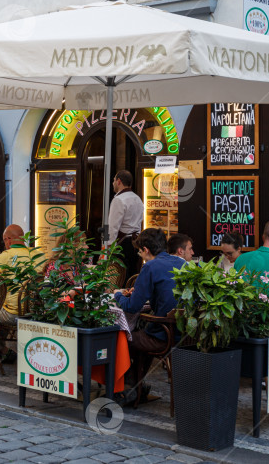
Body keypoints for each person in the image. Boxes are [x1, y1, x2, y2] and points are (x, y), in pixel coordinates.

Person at [113, 228, 186, 404]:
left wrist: (118, 294)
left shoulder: (151, 266)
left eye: (139, 251)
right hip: (185, 333)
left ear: (146, 249)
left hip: (165, 334)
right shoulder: (182, 262)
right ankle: (134, 387)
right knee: (140, 336)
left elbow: (132, 306)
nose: (140, 255)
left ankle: (126, 388)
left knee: (122, 338)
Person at [0, 224, 46, 361]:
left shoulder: (6, 256)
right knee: (1, 303)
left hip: (13, 314)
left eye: (4, 241)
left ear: (8, 240)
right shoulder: (39, 255)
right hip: (35, 310)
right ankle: (1, 349)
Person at [106, 170, 144, 281]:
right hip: (136, 242)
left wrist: (109, 249)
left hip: (123, 243)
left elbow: (113, 227)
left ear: (119, 181)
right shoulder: (138, 198)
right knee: (132, 274)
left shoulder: (118, 200)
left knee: (120, 277)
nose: (113, 183)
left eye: (113, 180)